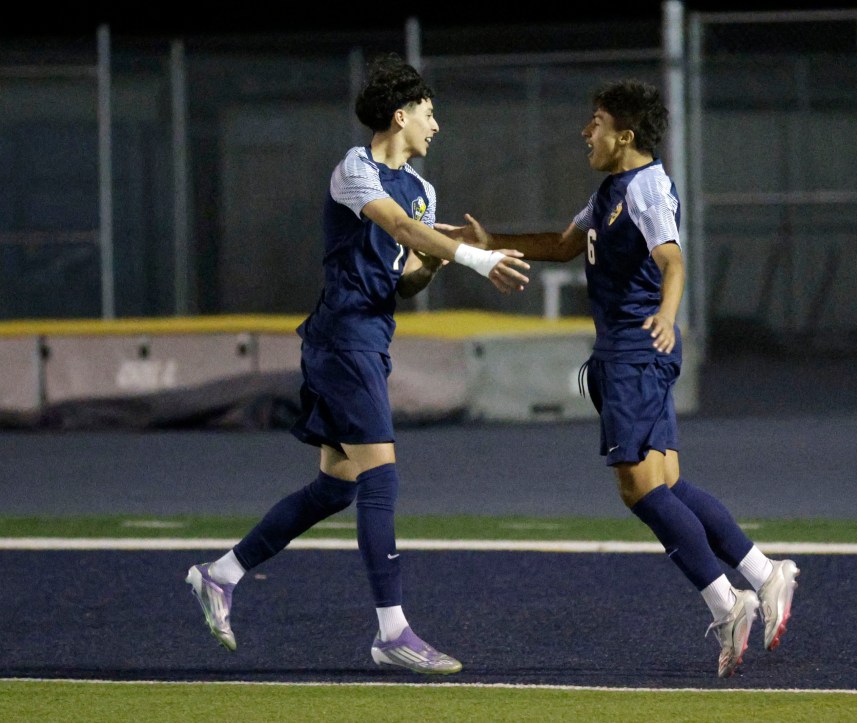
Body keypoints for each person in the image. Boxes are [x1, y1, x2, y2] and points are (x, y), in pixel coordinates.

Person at [184, 52, 530, 675]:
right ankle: (391, 631)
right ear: (400, 116)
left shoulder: (424, 191)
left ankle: (220, 573)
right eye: (429, 113)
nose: (437, 126)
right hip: (341, 337)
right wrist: (476, 259)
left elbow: (408, 281)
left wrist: (443, 260)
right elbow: (396, 227)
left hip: (370, 336)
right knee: (381, 476)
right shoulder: (355, 169)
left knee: (336, 485)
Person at [440, 79, 798, 678]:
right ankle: (764, 574)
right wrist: (489, 243)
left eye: (597, 121)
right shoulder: (611, 190)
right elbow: (561, 245)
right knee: (666, 484)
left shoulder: (648, 186)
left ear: (624, 135)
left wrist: (665, 311)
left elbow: (673, 259)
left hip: (635, 349)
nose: (587, 130)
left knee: (638, 489)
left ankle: (725, 600)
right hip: (629, 351)